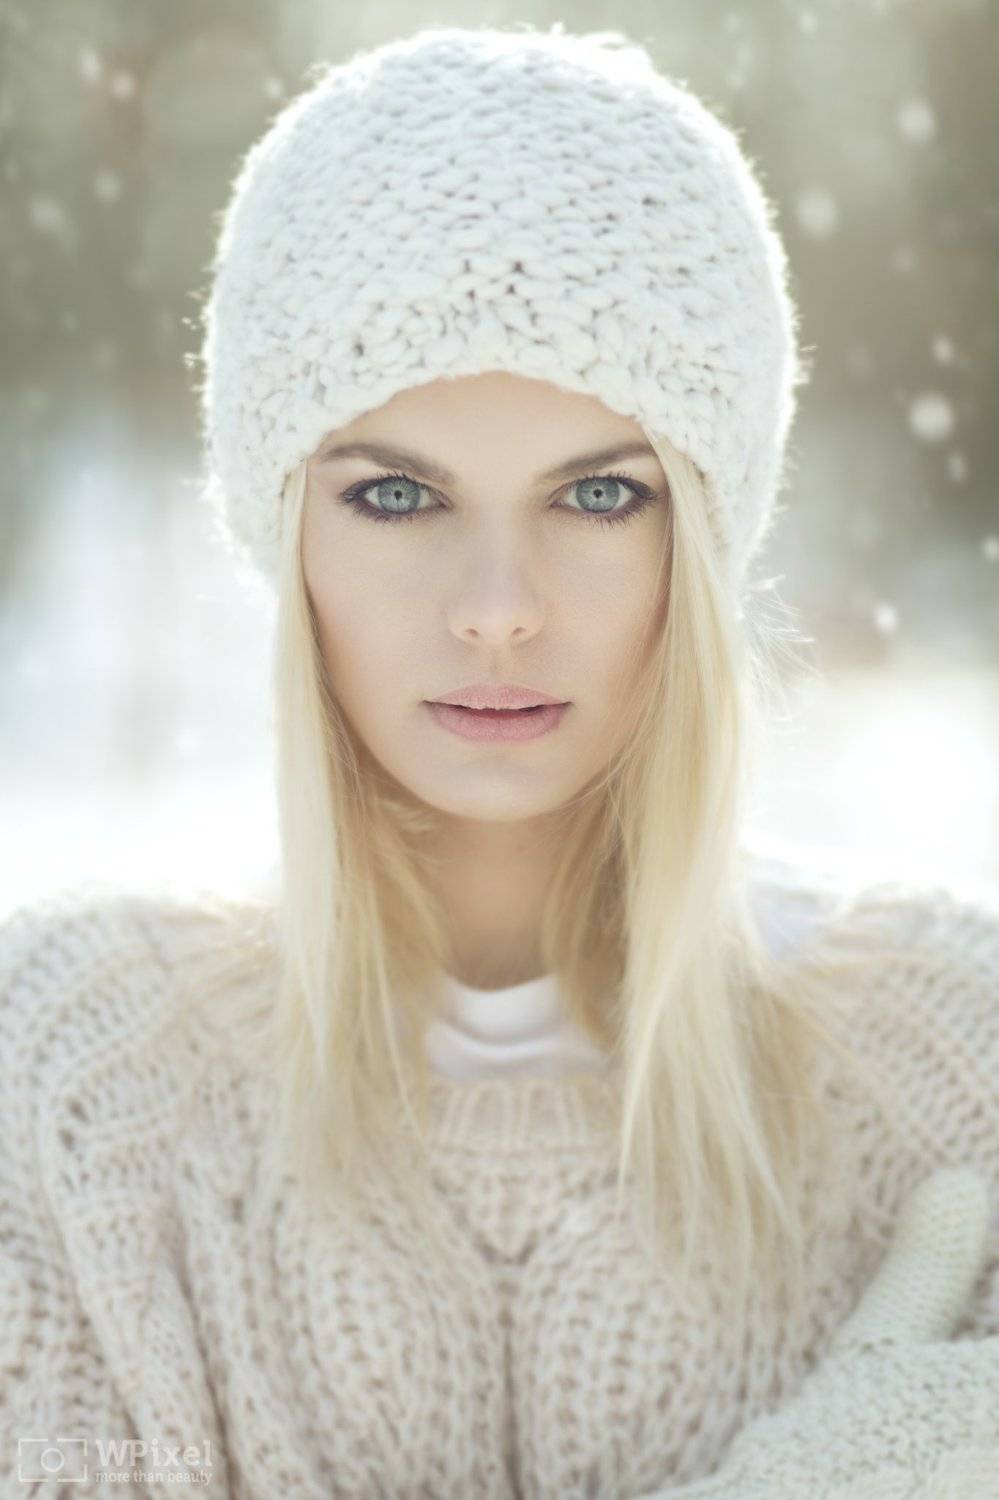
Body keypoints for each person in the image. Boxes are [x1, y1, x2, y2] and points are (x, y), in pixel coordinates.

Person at [2, 23, 997, 1500]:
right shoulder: (63, 1092)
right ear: (284, 534)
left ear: (704, 539)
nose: (496, 607)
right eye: (395, 494)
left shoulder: (954, 1071)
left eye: (599, 493)